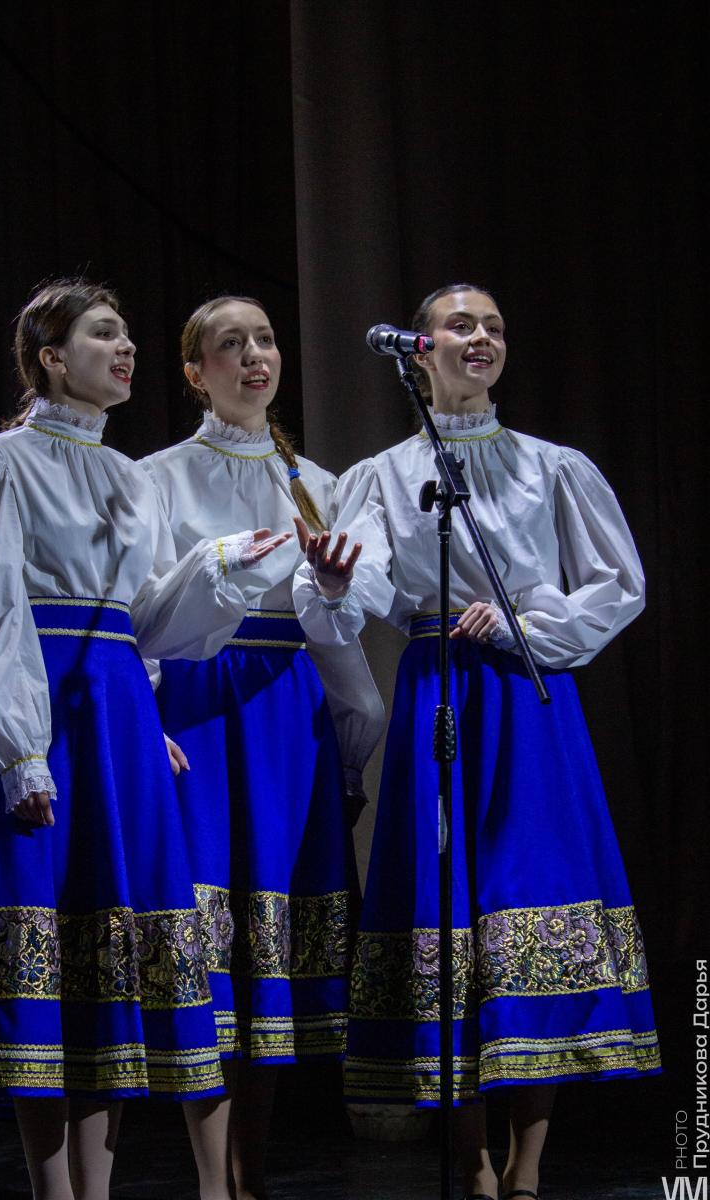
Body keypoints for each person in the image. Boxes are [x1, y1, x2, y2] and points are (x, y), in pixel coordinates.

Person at [0, 279, 291, 1200]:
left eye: (127, 336)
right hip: (44, 709)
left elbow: (145, 620)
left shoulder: (127, 476)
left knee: (105, 959)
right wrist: (20, 751)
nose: (125, 350)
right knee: (45, 950)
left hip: (118, 713)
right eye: (103, 334)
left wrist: (217, 566)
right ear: (51, 357)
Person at [294, 284, 660, 1200]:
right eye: (461, 325)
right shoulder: (383, 474)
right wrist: (336, 584)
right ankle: (472, 1162)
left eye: (494, 325)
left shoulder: (552, 466)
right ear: (420, 349)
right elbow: (370, 583)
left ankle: (528, 1166)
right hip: (441, 691)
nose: (482, 337)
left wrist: (527, 624)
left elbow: (619, 583)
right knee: (447, 912)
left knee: (528, 905)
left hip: (528, 695)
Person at [140, 295, 383, 1200]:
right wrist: (144, 721)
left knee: (268, 948)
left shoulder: (316, 482)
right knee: (208, 940)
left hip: (286, 714)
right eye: (230, 344)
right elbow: (137, 614)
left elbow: (342, 629)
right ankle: (211, 1177)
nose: (255, 356)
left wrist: (333, 592)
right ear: (194, 371)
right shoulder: (156, 478)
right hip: (200, 705)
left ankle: (251, 1173)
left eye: (267, 340)